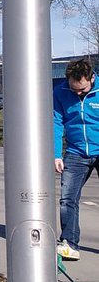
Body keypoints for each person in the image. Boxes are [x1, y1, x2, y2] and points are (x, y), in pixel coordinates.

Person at [53, 58, 99, 261]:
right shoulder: (60, 92)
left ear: (92, 78)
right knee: (67, 199)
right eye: (74, 90)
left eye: (82, 90)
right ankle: (70, 244)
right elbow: (56, 123)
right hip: (75, 152)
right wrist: (55, 154)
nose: (78, 94)